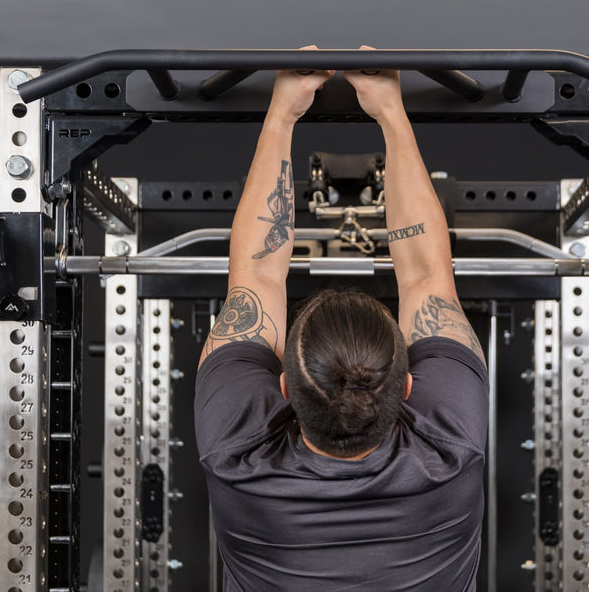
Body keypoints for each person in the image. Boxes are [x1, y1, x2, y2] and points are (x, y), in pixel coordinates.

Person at [194, 46, 488, 591]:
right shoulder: (452, 447)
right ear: (407, 387)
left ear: (285, 389)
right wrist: (390, 111)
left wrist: (283, 112)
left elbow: (257, 277)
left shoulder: (235, 455)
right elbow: (426, 277)